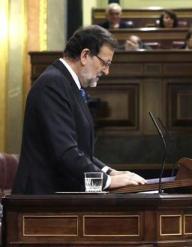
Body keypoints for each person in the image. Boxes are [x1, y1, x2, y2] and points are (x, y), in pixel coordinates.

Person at [12, 25, 146, 194]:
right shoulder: (52, 84)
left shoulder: (67, 84)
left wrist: (109, 172)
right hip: (41, 202)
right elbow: (64, 152)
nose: (106, 71)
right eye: (105, 63)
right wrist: (107, 181)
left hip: (55, 199)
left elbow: (79, 150)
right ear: (84, 55)